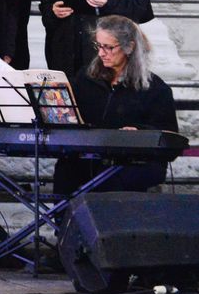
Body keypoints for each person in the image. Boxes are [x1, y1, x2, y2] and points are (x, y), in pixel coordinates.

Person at [53, 16, 177, 195]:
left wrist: (138, 131)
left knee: (110, 179)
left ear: (129, 47)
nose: (102, 53)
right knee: (66, 172)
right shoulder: (85, 78)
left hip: (134, 162)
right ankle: (64, 223)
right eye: (99, 46)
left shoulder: (155, 88)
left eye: (109, 47)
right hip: (89, 156)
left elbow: (169, 138)